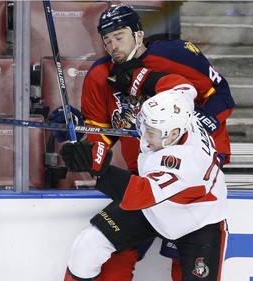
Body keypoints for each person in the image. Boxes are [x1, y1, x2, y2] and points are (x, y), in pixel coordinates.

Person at [48, 3, 235, 280]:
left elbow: (220, 93)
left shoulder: (177, 55)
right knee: (101, 253)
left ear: (138, 34)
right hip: (146, 174)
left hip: (188, 184)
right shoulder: (100, 75)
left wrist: (204, 122)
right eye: (107, 40)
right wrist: (82, 140)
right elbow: (103, 134)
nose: (113, 45)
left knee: (185, 256)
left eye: (119, 36)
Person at [59, 79, 228, 280]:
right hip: (153, 207)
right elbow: (183, 86)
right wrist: (145, 78)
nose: (144, 136)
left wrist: (97, 166)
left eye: (151, 132)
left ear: (173, 134)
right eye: (145, 126)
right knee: (88, 245)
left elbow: (140, 194)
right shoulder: (180, 107)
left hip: (197, 222)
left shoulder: (186, 162)